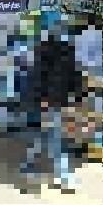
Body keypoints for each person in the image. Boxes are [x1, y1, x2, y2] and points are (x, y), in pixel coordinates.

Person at [21, 14, 83, 192]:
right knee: (55, 138)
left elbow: (71, 76)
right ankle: (63, 178)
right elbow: (46, 77)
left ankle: (28, 166)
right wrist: (45, 98)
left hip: (51, 100)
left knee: (41, 135)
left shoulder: (56, 49)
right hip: (50, 101)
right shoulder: (54, 50)